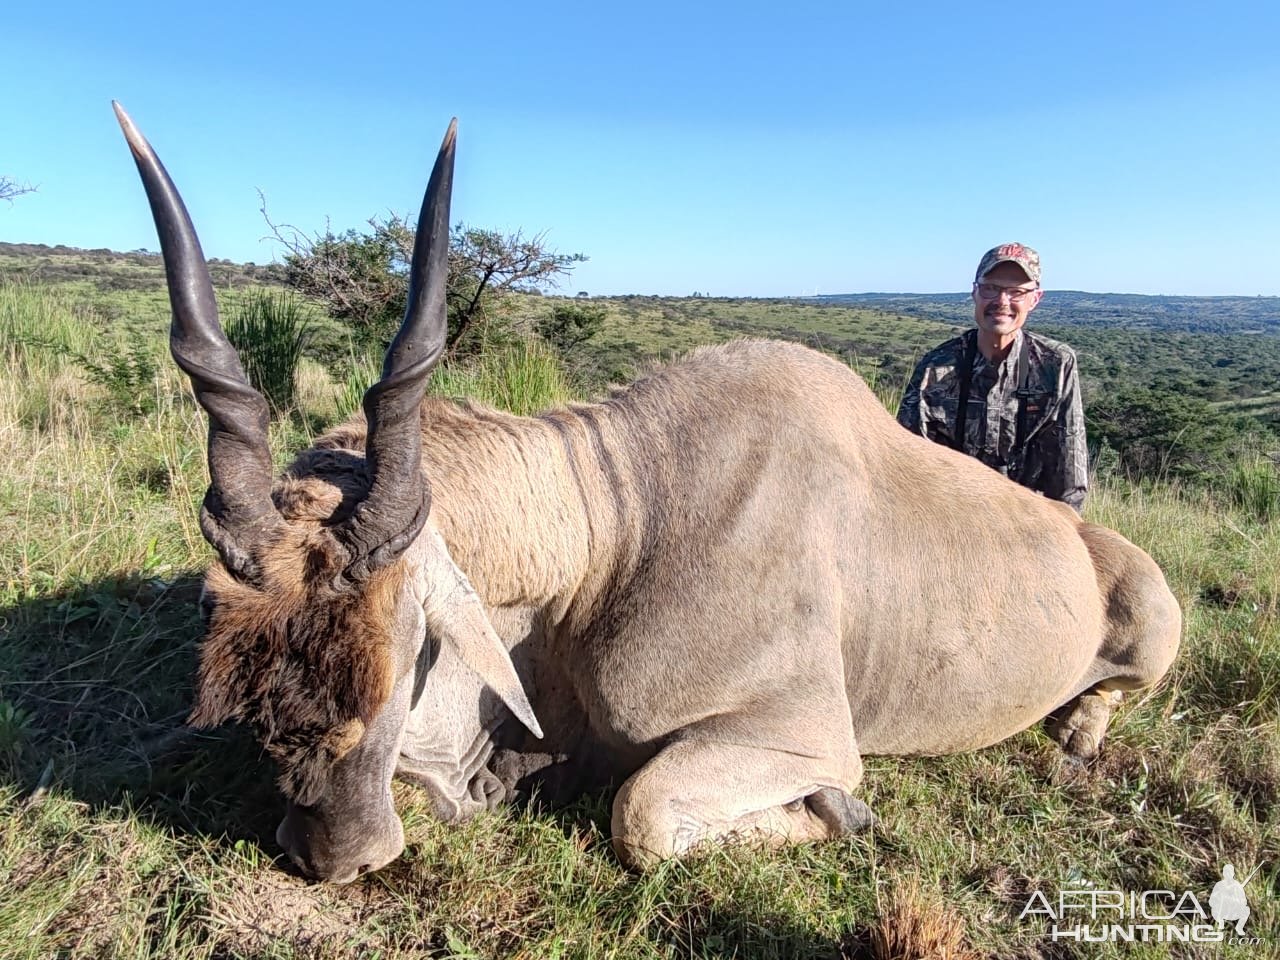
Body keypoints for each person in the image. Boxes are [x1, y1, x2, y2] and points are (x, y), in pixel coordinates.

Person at [896, 242, 1088, 513]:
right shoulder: (935, 368)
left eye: (1016, 292)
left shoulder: (1056, 365)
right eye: (991, 288)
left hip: (1029, 523)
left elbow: (1070, 478)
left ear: (1035, 298)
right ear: (975, 292)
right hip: (950, 520)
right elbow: (908, 467)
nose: (1002, 302)